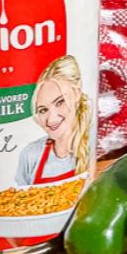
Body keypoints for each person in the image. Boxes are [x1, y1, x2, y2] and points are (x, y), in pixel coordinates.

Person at [14, 55, 91, 186]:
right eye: (43, 110)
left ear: (77, 93)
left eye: (60, 102)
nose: (51, 119)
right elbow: (19, 200)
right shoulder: (30, 154)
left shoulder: (92, 142)